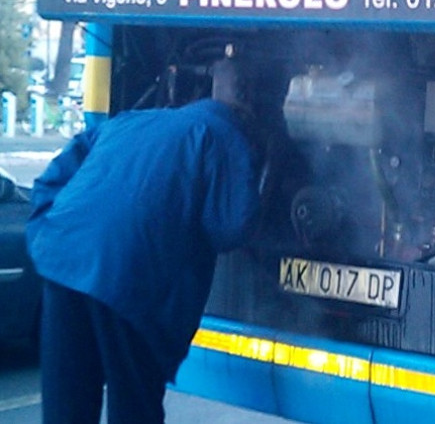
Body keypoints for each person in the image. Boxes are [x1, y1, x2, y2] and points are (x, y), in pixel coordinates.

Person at [26, 49, 260, 424]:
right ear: (246, 107)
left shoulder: (129, 120)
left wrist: (49, 238)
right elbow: (229, 228)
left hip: (62, 261)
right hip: (131, 283)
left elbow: (51, 180)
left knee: (66, 406)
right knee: (134, 406)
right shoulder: (225, 135)